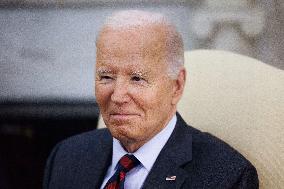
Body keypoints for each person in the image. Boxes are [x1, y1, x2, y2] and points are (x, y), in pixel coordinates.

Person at [43, 10, 258, 189]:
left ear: (176, 86)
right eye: (106, 77)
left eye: (137, 78)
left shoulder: (228, 177)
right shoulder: (66, 158)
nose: (117, 96)